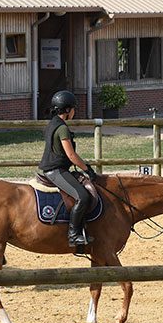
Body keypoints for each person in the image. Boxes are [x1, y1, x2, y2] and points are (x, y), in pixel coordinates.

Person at [39, 90, 98, 247]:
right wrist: (88, 169)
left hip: (56, 168)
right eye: (73, 108)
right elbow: (71, 155)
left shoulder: (52, 123)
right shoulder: (62, 128)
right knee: (82, 197)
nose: (74, 111)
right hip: (56, 171)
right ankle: (73, 235)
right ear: (67, 110)